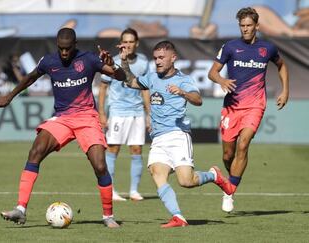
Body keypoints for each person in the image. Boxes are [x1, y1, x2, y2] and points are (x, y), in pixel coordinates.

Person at [0, 27, 126, 228]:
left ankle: (108, 216)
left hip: (87, 118)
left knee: (100, 166)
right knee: (35, 151)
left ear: (75, 45)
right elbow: (31, 77)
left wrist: (114, 65)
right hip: (62, 118)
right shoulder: (49, 61)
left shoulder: (88, 59)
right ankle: (20, 209)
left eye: (67, 49)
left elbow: (120, 77)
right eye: (61, 49)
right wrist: (9, 96)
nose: (64, 53)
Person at [118, 40, 231, 228]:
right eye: (155, 58)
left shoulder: (183, 80)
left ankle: (214, 175)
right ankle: (178, 217)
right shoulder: (152, 77)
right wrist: (124, 62)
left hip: (178, 135)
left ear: (173, 58)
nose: (158, 61)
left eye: (162, 58)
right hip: (158, 138)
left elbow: (198, 99)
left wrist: (183, 93)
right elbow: (130, 81)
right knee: (157, 173)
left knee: (186, 181)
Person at [208, 7, 289, 213]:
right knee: (228, 155)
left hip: (255, 105)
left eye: (248, 26)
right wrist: (222, 80)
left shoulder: (267, 48)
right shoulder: (230, 47)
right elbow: (212, 73)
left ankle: (229, 191)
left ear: (257, 26)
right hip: (232, 107)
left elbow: (281, 65)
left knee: (243, 144)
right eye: (242, 26)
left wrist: (285, 90)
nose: (245, 29)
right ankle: (231, 179)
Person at [98, 28, 150, 201]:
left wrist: (149, 114)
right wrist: (101, 113)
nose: (128, 45)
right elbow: (103, 88)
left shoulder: (143, 62)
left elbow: (145, 89)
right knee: (113, 149)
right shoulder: (112, 61)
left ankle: (134, 191)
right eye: (125, 41)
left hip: (137, 111)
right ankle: (111, 191)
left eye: (131, 41)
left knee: (136, 150)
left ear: (137, 43)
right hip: (118, 111)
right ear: (120, 44)